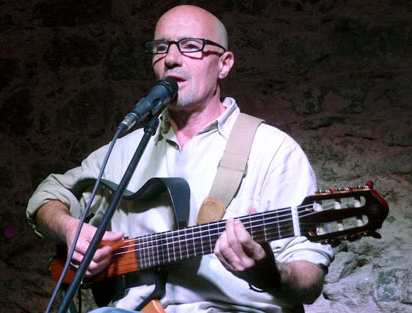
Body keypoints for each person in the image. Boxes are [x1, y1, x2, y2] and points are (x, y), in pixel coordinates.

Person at [27, 5, 333, 313]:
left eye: (191, 46)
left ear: (224, 64)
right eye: (161, 48)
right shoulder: (126, 149)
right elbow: (47, 195)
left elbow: (309, 280)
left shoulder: (273, 149)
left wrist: (268, 273)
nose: (172, 58)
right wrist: (69, 229)